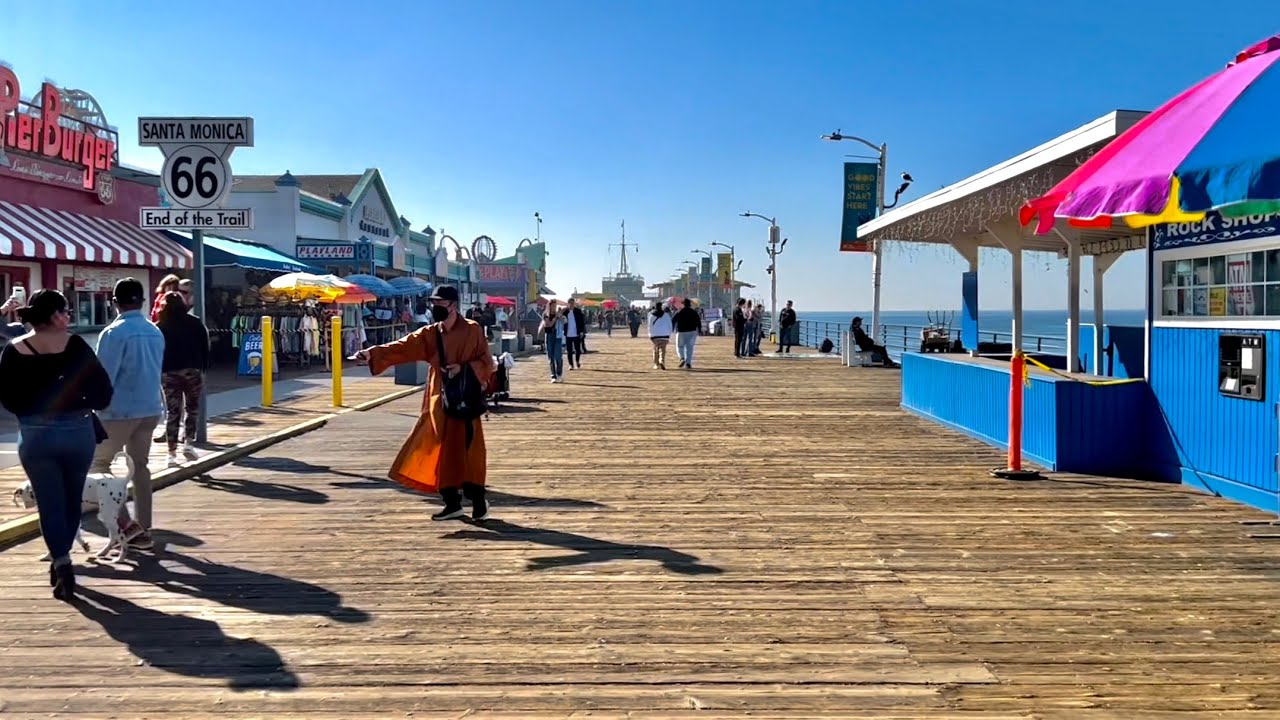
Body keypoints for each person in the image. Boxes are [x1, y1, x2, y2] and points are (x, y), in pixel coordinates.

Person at [0, 290, 113, 601]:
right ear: (54, 316)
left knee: (49, 503)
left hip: (36, 435)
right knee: (72, 500)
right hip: (77, 432)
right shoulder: (76, 345)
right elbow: (103, 392)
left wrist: (32, 411)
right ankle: (62, 557)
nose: (69, 316)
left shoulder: (14, 350)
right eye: (65, 310)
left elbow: (7, 398)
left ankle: (61, 562)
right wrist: (80, 401)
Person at [352, 285, 495, 522]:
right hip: (440, 397)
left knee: (469, 450)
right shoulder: (430, 333)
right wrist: (372, 353)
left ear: (453, 305)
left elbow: (487, 362)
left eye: (440, 303)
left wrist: (463, 368)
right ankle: (452, 503)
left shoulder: (472, 330)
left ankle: (478, 502)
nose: (436, 307)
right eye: (434, 303)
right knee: (441, 447)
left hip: (465, 397)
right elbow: (403, 346)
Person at [92, 278, 165, 551]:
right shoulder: (155, 331)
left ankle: (127, 526)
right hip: (150, 407)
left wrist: (93, 405)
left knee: (98, 464)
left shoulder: (113, 333)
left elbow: (104, 377)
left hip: (119, 410)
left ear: (114, 302)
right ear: (143, 302)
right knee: (140, 466)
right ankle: (144, 524)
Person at [156, 291, 209, 467]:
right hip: (192, 370)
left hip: (168, 372)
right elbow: (205, 346)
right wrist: (203, 368)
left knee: (172, 412)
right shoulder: (195, 322)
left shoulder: (160, 326)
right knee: (192, 408)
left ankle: (171, 454)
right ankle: (188, 443)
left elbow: (156, 351)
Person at [542, 300, 566, 383]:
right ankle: (553, 375)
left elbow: (564, 322)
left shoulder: (558, 314)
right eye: (552, 306)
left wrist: (562, 317)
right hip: (549, 335)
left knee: (558, 356)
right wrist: (556, 317)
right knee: (550, 356)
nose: (554, 308)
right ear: (549, 306)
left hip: (558, 335)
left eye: (555, 306)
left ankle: (559, 374)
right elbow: (549, 324)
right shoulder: (546, 314)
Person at [673, 298, 701, 369]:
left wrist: (672, 329)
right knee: (690, 347)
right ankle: (688, 363)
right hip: (692, 331)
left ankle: (682, 358)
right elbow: (698, 321)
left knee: (680, 346)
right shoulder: (694, 312)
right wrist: (699, 329)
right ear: (690, 304)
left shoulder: (679, 311)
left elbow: (673, 320)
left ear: (683, 304)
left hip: (681, 331)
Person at [648, 301, 673, 370]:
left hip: (655, 335)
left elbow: (650, 327)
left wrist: (650, 335)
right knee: (663, 349)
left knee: (656, 349)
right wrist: (669, 334)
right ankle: (662, 361)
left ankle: (656, 364)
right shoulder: (666, 315)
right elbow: (670, 325)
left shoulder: (651, 316)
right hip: (664, 335)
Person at [564, 298, 586, 370]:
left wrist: (582, 331)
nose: (571, 305)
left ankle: (577, 361)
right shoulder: (565, 312)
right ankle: (571, 364)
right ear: (568, 304)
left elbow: (582, 322)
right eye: (570, 303)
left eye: (572, 303)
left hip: (577, 333)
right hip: (568, 334)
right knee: (569, 350)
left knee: (577, 349)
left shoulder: (578, 311)